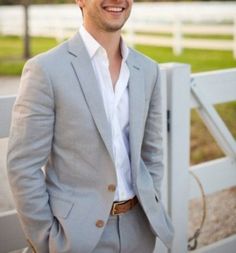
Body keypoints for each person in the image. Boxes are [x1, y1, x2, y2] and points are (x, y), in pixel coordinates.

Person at [7, 0, 174, 252]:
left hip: (139, 230)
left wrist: (150, 202)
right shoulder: (45, 70)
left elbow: (152, 153)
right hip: (76, 237)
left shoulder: (147, 69)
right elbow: (23, 166)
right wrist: (48, 240)